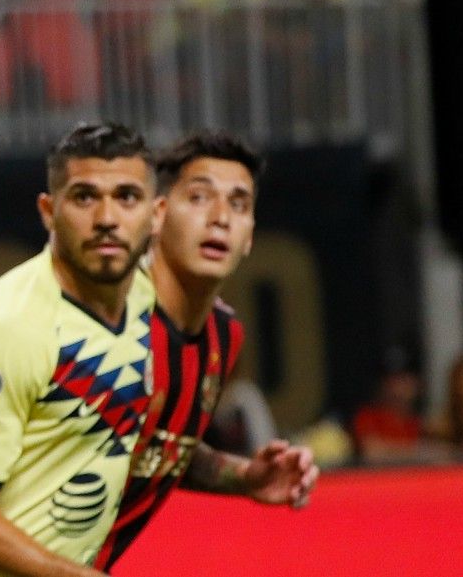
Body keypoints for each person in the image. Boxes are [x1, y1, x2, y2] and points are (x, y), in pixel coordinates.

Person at [0, 123, 157, 577]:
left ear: (156, 213)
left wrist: (240, 477)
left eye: (127, 197)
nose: (107, 217)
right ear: (48, 211)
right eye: (84, 197)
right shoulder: (7, 327)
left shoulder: (147, 300)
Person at [94, 130, 317, 570]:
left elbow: (158, 445)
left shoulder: (223, 336)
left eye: (239, 204)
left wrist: (245, 476)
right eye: (199, 198)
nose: (220, 218)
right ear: (157, 215)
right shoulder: (101, 324)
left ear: (249, 237)